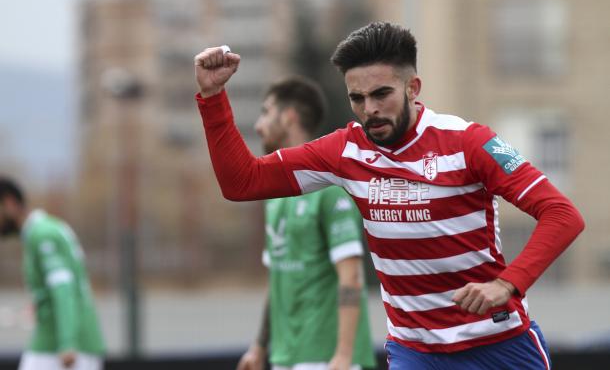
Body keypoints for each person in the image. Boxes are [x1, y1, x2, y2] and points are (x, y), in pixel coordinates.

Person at [193, 22, 585, 369]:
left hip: (497, 343)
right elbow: (241, 182)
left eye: (382, 94)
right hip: (414, 351)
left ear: (413, 88)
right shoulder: (344, 151)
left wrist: (507, 283)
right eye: (357, 99)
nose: (371, 110)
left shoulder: (469, 142)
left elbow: (562, 214)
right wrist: (212, 98)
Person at [236, 77, 376, 370]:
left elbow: (350, 278)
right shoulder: (274, 195)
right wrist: (260, 345)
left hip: (327, 358)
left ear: (289, 117)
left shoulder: (329, 187)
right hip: (286, 356)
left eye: (266, 112)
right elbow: (278, 277)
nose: (258, 125)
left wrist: (344, 356)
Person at [0, 177, 105, 370]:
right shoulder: (42, 231)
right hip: (60, 341)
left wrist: (67, 343)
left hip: (62, 346)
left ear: (9, 203)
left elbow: (63, 288)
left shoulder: (42, 235)